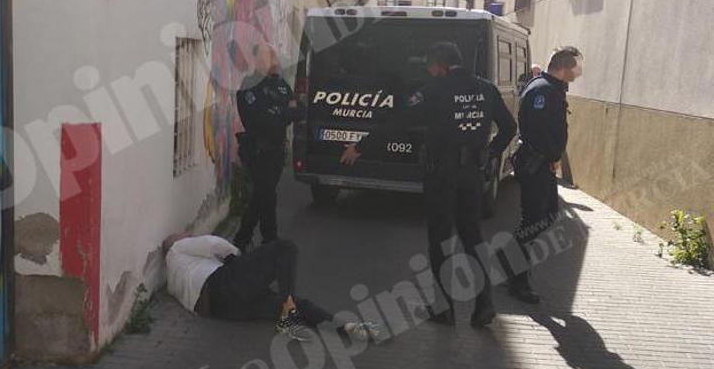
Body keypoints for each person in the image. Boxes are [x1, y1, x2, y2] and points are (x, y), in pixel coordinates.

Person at [341, 43, 516, 327]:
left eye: (431, 67)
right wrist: (489, 153)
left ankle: (444, 308)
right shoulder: (487, 89)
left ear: (441, 66)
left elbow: (398, 121)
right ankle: (484, 304)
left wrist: (361, 147)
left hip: (442, 176)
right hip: (472, 174)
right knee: (473, 237)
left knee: (441, 241)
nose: (429, 72)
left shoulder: (434, 90)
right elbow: (509, 127)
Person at [164, 232, 377, 341]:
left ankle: (347, 328)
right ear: (177, 240)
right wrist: (239, 257)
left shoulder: (173, 278)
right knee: (285, 247)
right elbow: (211, 243)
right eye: (186, 234)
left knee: (293, 303)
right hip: (224, 284)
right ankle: (290, 313)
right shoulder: (177, 247)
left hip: (223, 309)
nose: (188, 235)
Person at [508, 47, 583, 304]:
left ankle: (511, 257)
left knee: (548, 214)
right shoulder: (543, 90)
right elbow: (538, 132)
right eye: (575, 67)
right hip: (535, 165)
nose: (577, 72)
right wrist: (550, 157)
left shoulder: (552, 87)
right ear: (563, 67)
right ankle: (517, 278)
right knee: (532, 221)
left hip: (543, 165)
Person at [233, 42, 301, 253]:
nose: (273, 57)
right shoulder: (249, 84)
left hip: (277, 151)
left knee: (262, 195)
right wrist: (284, 112)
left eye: (273, 54)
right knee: (267, 195)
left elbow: (299, 109)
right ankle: (269, 241)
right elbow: (258, 120)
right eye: (268, 54)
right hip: (258, 151)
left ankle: (241, 240)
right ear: (257, 60)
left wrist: (279, 112)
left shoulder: (279, 83)